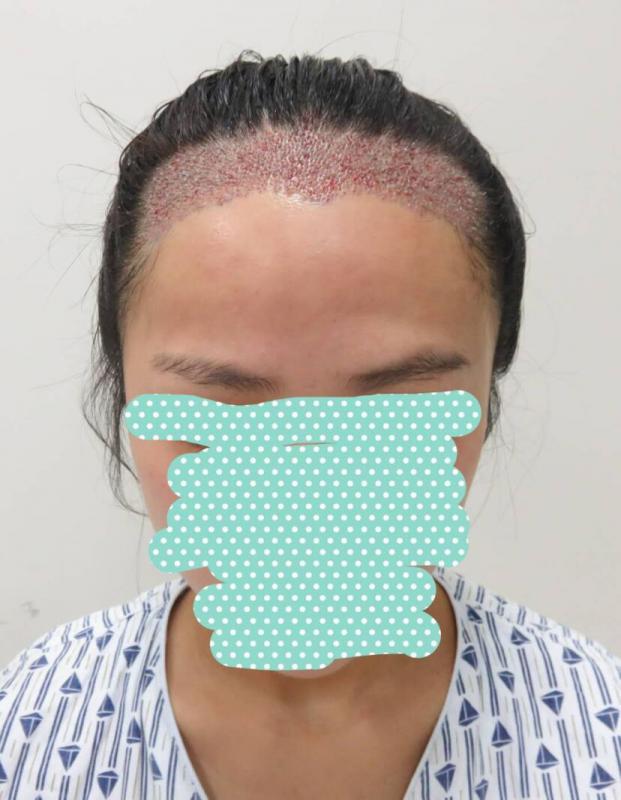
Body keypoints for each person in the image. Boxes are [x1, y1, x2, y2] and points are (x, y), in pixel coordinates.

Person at [1, 50, 619, 800]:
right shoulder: (28, 728)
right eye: (222, 414)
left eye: (396, 416)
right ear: (123, 388)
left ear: (486, 392)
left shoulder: (596, 736)